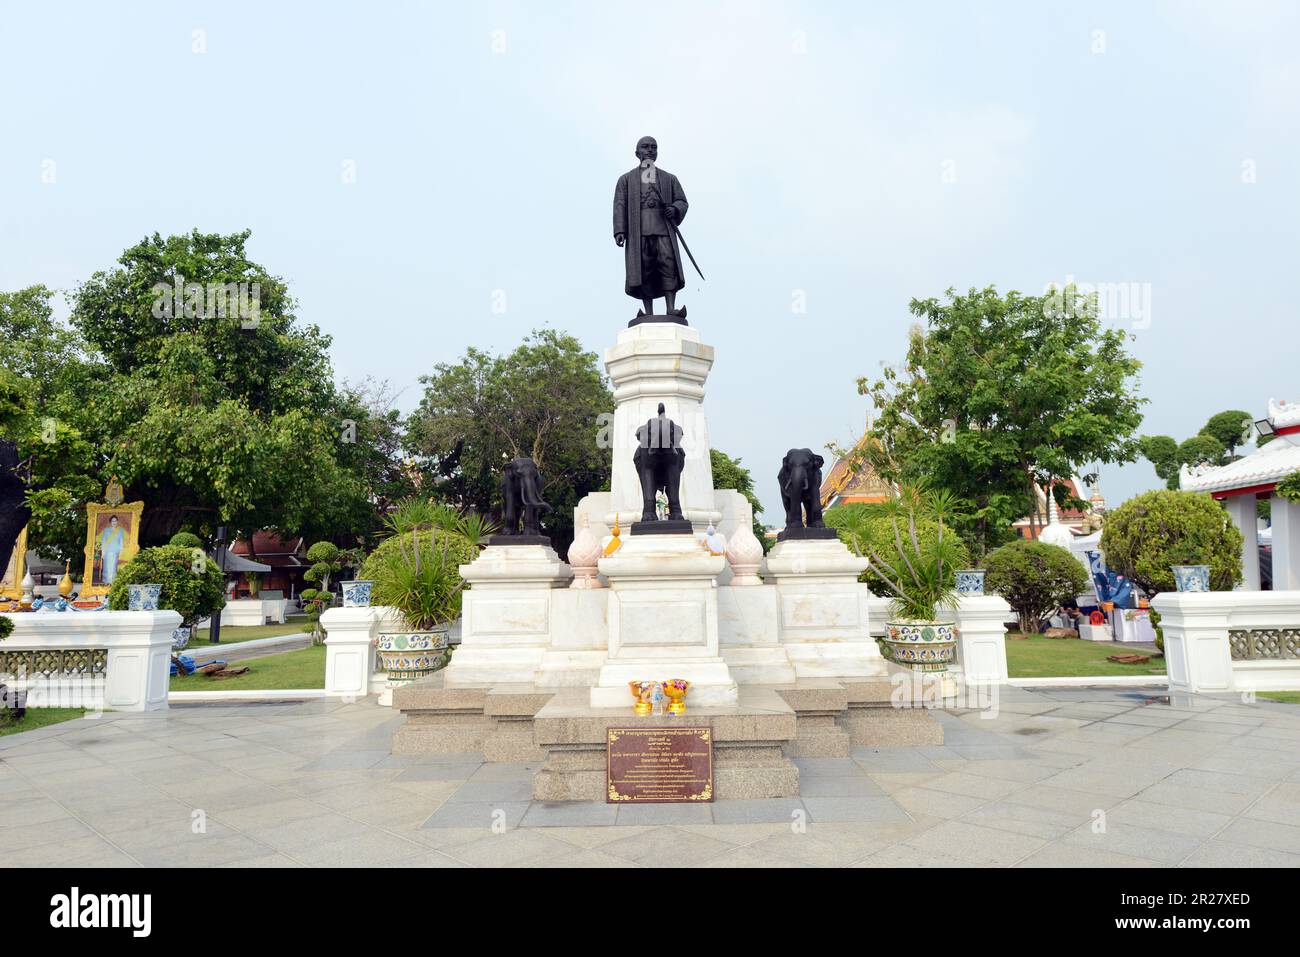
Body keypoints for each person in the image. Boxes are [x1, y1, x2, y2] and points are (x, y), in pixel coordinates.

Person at [613, 136, 690, 319]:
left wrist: (674, 208)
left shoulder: (669, 179)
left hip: (663, 229)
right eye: (645, 147)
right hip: (639, 231)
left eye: (653, 147)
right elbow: (620, 205)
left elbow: (682, 201)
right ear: (637, 153)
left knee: (668, 266)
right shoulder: (626, 180)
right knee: (644, 269)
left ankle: (671, 307)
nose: (649, 150)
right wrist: (620, 230)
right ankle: (648, 312)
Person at [98, 515, 126, 585]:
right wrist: (103, 551)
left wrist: (120, 550)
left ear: (117, 522)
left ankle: (113, 582)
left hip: (115, 551)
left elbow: (121, 541)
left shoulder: (120, 531)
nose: (114, 522)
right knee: (107, 566)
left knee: (113, 566)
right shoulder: (106, 530)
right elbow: (104, 541)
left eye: (115, 521)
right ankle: (106, 581)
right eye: (113, 521)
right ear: (110, 522)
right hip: (107, 551)